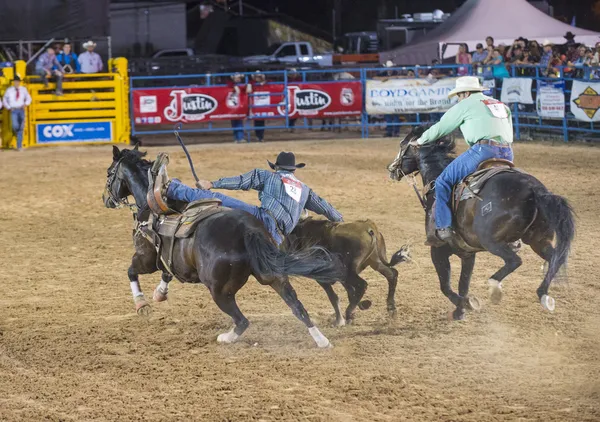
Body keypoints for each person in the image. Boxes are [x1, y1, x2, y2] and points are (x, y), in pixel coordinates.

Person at [151, 152, 343, 245]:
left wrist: (213, 183)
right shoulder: (305, 190)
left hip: (263, 219)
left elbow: (242, 181)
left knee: (214, 198)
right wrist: (341, 223)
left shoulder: (268, 177)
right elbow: (326, 208)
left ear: (276, 168)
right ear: (293, 170)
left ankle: (171, 188)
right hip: (279, 238)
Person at [413, 76, 513, 244]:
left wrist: (420, 141)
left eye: (459, 95)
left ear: (466, 93)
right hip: (507, 152)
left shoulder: (466, 104)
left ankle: (444, 226)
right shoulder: (499, 104)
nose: (458, 99)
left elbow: (441, 127)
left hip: (483, 150)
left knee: (443, 181)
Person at [2, 75, 32, 151]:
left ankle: (19, 146)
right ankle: (17, 134)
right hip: (14, 110)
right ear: (13, 82)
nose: (16, 83)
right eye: (15, 81)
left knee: (21, 127)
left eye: (17, 81)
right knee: (15, 126)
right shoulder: (9, 90)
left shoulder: (23, 89)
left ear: (19, 82)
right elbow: (4, 100)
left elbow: (29, 98)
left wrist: (26, 104)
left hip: (21, 109)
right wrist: (9, 107)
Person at [376, 60, 400, 137]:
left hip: (395, 97)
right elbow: (376, 78)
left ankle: (396, 131)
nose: (390, 69)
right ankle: (389, 131)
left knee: (395, 115)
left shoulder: (396, 73)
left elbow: (399, 78)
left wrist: (387, 79)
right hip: (387, 98)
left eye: (391, 68)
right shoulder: (383, 74)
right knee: (388, 116)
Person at [227, 73, 250, 143]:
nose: (237, 79)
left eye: (239, 78)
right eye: (236, 78)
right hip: (232, 106)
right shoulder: (231, 85)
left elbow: (247, 91)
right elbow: (228, 84)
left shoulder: (242, 85)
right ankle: (237, 138)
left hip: (240, 105)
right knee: (234, 121)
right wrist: (234, 86)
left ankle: (240, 137)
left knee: (239, 120)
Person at [251, 71, 267, 142]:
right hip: (255, 104)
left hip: (262, 104)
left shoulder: (265, 83)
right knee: (257, 121)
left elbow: (269, 82)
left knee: (261, 121)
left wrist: (264, 81)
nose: (258, 78)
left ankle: (261, 136)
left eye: (259, 77)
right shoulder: (252, 84)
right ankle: (258, 136)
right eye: (257, 77)